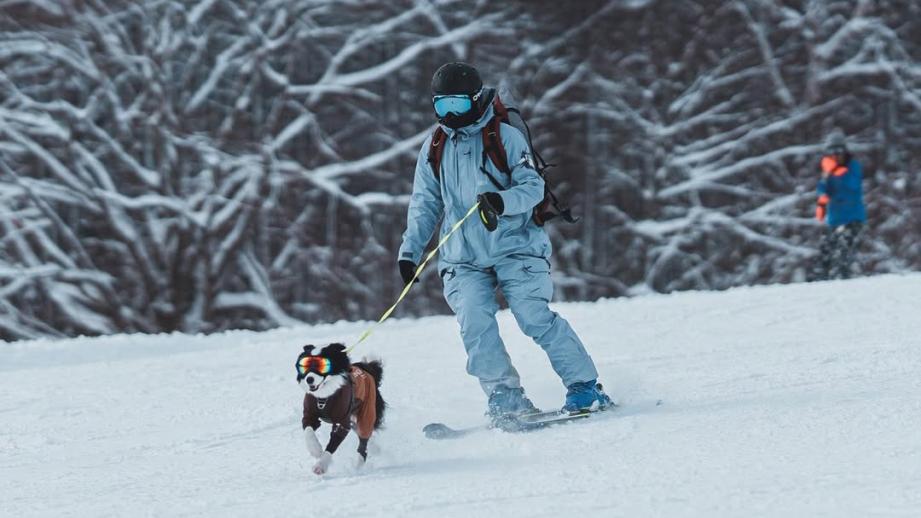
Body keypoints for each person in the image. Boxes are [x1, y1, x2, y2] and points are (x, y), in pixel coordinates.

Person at [397, 62, 611, 420]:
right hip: (462, 257)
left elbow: (533, 187)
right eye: (442, 105)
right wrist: (410, 252)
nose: (450, 115)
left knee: (533, 316)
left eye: (458, 105)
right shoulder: (434, 146)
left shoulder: (504, 137)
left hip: (516, 246)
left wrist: (502, 201)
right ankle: (504, 395)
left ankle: (585, 387)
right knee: (475, 323)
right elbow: (424, 203)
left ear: (475, 100)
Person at [811, 130, 866, 280]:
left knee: (844, 250)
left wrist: (834, 170)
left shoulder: (853, 166)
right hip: (835, 219)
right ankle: (821, 280)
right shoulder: (828, 170)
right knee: (826, 249)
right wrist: (822, 201)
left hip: (853, 218)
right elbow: (823, 190)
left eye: (839, 151)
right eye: (832, 151)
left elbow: (853, 185)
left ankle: (844, 280)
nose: (836, 155)